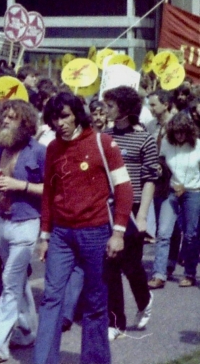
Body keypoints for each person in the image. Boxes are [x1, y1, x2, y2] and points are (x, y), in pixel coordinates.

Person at [33, 92, 133, 364]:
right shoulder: (53, 147)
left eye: (64, 115)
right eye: (54, 118)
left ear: (77, 113)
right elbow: (48, 195)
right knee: (51, 298)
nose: (59, 123)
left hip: (96, 232)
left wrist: (119, 232)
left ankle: (95, 360)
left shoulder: (103, 142)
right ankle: (43, 360)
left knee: (95, 303)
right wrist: (44, 236)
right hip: (62, 235)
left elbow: (124, 188)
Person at [0, 100, 46, 364]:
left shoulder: (39, 152)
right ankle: (27, 331)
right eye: (4, 116)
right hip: (1, 224)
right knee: (15, 282)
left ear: (25, 124)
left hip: (27, 223)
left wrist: (20, 185)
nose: (5, 121)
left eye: (12, 118)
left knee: (10, 281)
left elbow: (51, 191)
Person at [101, 85, 159, 338]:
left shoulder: (144, 138)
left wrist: (143, 215)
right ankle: (116, 323)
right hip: (109, 206)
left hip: (134, 208)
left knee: (131, 266)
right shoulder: (103, 136)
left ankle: (145, 299)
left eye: (110, 105)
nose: (105, 110)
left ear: (124, 109)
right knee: (110, 266)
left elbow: (149, 179)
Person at [151, 110, 200, 288]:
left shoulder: (198, 146)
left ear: (189, 132)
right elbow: (161, 163)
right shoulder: (166, 143)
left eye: (183, 132)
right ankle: (159, 274)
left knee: (190, 235)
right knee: (164, 233)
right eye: (176, 132)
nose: (179, 136)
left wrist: (188, 187)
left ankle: (189, 272)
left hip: (193, 191)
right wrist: (159, 168)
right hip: (170, 191)